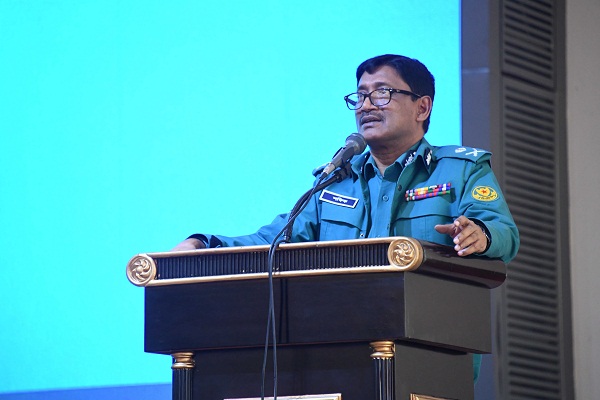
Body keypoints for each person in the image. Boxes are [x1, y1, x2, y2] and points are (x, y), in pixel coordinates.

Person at [172, 54, 520, 380]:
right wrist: (203, 244)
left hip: (433, 355)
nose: (366, 105)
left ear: (422, 107)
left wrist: (480, 234)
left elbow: (504, 232)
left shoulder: (460, 170)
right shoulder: (336, 179)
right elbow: (274, 241)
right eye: (361, 96)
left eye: (382, 93)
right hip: (340, 359)